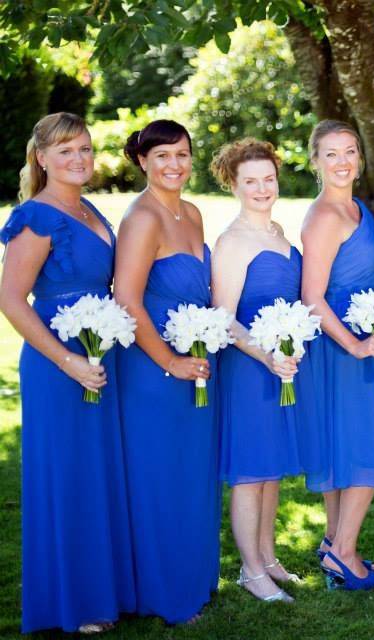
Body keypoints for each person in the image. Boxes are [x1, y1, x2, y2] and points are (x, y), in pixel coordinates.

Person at [0, 113, 135, 634]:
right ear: (41, 159)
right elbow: (12, 300)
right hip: (60, 366)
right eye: (65, 152)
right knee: (67, 478)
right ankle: (73, 603)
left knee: (98, 474)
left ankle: (105, 590)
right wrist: (69, 360)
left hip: (101, 357)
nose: (78, 159)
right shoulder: (37, 217)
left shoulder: (88, 208)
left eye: (83, 149)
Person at [113, 120, 220, 624]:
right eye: (162, 157)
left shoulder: (193, 212)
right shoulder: (142, 219)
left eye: (181, 154)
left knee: (190, 474)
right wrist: (170, 361)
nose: (174, 165)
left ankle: (192, 577)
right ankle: (161, 592)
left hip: (196, 366)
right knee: (158, 477)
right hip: (154, 371)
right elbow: (127, 301)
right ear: (142, 162)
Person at [300, 120, 374, 590]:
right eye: (331, 154)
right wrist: (357, 344)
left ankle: (332, 542)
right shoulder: (325, 216)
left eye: (350, 152)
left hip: (365, 335)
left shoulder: (357, 207)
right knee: (364, 445)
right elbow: (311, 296)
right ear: (315, 162)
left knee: (345, 445)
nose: (343, 161)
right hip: (343, 346)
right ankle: (345, 553)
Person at [211, 138, 308, 603]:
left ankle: (269, 558)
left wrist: (288, 347)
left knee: (271, 469)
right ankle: (250, 570)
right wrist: (265, 355)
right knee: (251, 471)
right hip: (250, 368)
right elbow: (224, 317)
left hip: (280, 365)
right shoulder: (232, 241)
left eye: (268, 178)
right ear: (233, 184)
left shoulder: (279, 234)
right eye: (250, 181)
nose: (262, 188)